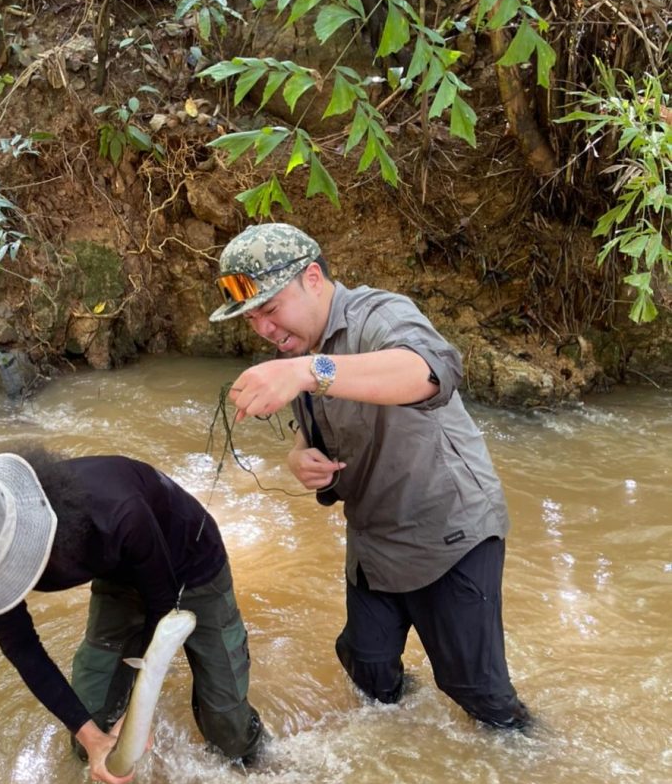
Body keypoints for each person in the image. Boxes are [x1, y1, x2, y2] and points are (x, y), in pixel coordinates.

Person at [209, 222, 531, 730]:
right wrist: (300, 456)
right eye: (251, 319)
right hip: (374, 536)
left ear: (312, 278)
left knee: (479, 694)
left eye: (269, 310)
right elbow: (313, 426)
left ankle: (532, 766)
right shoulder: (298, 351)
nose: (264, 330)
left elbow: (428, 371)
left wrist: (309, 372)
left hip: (448, 531)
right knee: (367, 667)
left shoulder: (379, 314)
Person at [0, 447, 267, 784]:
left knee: (229, 736)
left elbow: (163, 601)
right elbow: (21, 646)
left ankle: (259, 751)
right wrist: (90, 737)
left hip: (192, 565)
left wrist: (143, 708)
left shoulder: (117, 512)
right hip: (119, 575)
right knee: (91, 726)